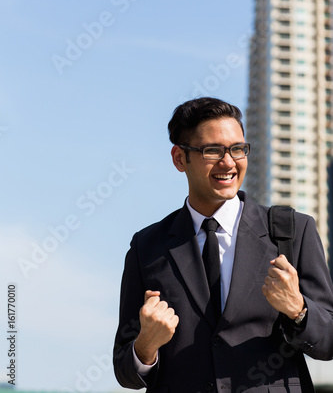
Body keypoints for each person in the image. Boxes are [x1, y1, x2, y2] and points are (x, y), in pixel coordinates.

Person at [113, 97, 333, 393]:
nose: (228, 162)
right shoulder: (147, 247)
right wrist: (146, 345)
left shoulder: (292, 232)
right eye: (212, 150)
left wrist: (299, 310)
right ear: (180, 158)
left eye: (237, 149)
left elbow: (328, 341)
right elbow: (125, 372)